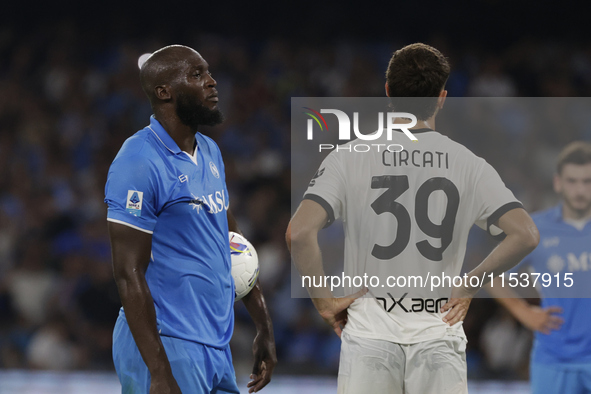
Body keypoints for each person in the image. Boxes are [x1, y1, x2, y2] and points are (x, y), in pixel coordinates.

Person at [286, 43, 540, 393]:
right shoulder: (469, 164)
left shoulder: (349, 157)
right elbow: (526, 234)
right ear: (442, 97)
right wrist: (469, 284)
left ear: (388, 91)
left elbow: (299, 233)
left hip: (370, 335)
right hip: (438, 331)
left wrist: (325, 303)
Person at [105, 45, 276, 394]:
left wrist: (263, 325)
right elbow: (128, 273)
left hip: (215, 345)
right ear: (164, 92)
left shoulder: (209, 151)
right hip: (167, 343)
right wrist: (158, 370)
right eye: (197, 75)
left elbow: (232, 242)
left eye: (208, 72)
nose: (212, 82)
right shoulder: (138, 160)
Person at [487, 141, 591, 394]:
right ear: (558, 183)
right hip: (553, 357)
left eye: (587, 181)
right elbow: (489, 275)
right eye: (572, 181)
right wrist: (523, 311)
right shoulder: (536, 228)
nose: (579, 190)